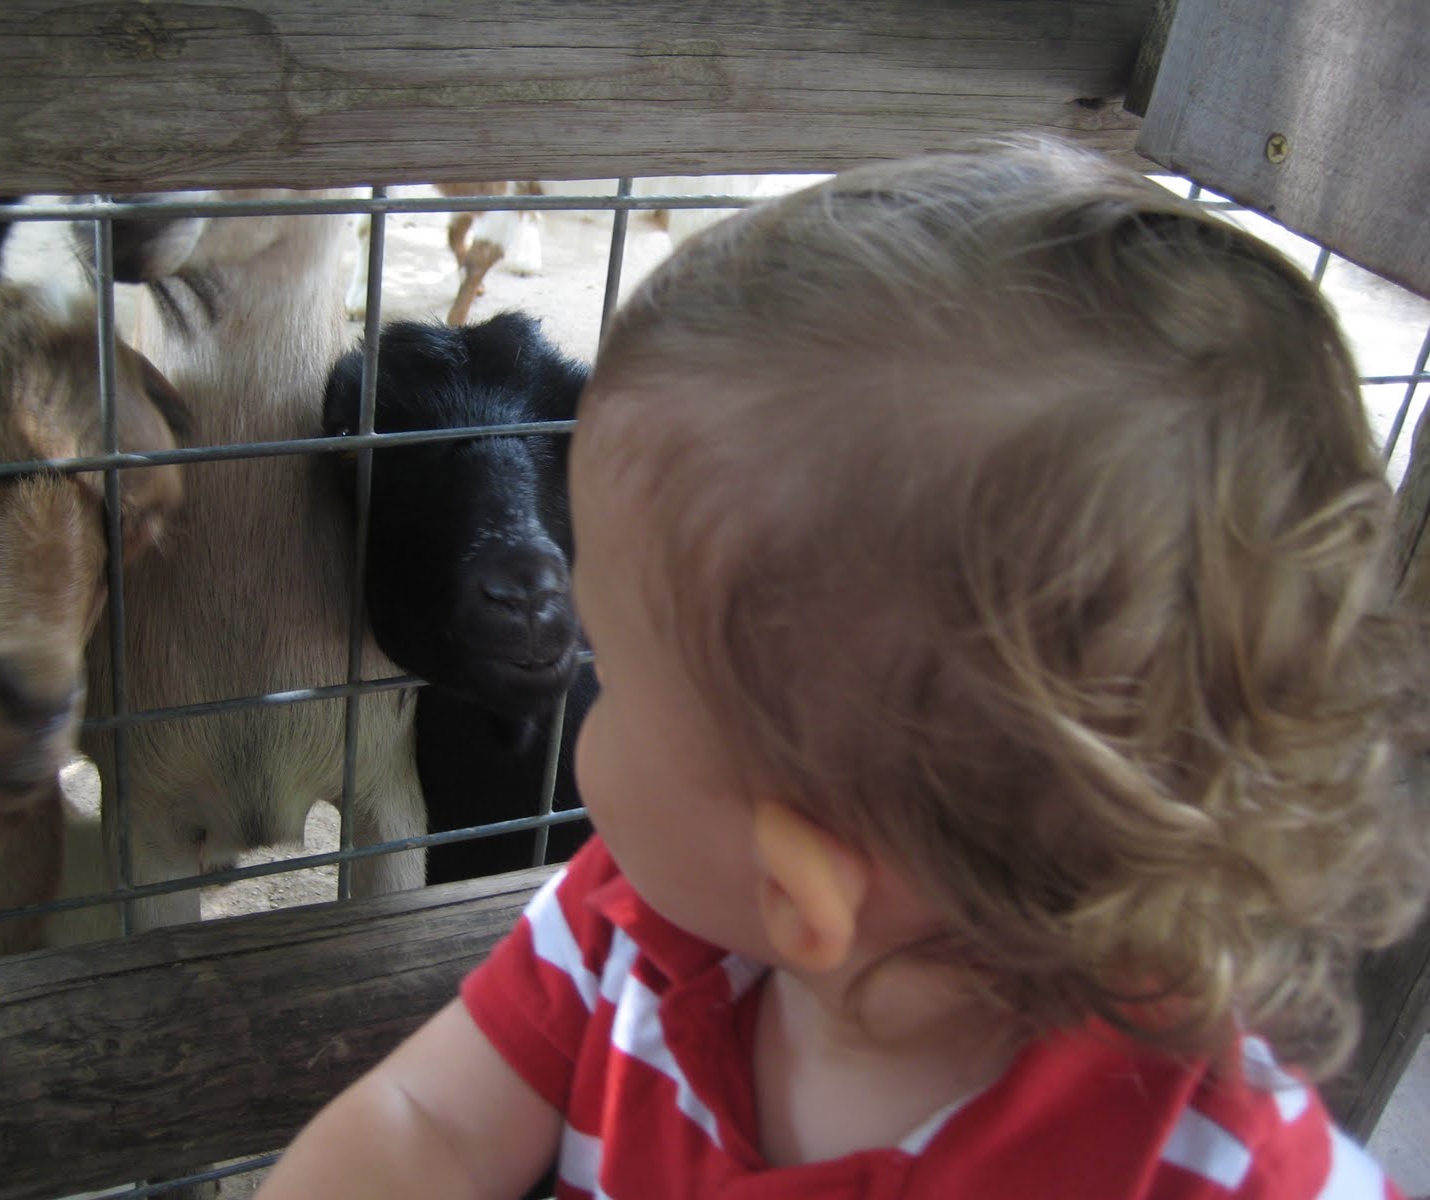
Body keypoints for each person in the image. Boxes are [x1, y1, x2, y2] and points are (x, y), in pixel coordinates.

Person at [257, 138, 1430, 1199]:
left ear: (797, 891)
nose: (586, 708)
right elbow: (426, 1124)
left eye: (613, 677)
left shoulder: (1223, 1176)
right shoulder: (624, 931)